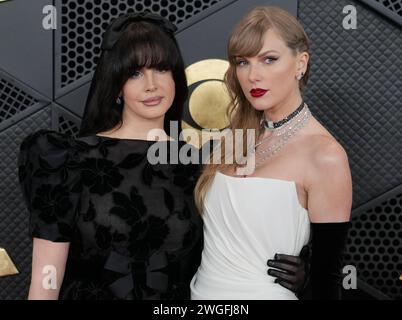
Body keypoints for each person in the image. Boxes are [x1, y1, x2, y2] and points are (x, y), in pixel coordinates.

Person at [18, 12, 307, 300]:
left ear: (175, 75)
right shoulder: (67, 160)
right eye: (134, 73)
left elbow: (231, 257)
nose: (151, 85)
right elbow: (45, 283)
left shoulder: (203, 165)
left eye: (161, 69)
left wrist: (296, 274)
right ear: (117, 84)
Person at [191, 6, 352, 300]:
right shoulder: (234, 138)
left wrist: (309, 280)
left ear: (301, 63)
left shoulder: (325, 155)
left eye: (269, 59)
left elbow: (328, 279)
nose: (253, 75)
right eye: (243, 62)